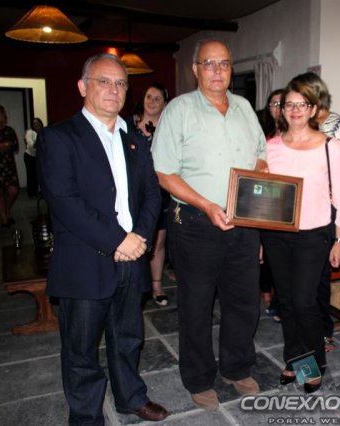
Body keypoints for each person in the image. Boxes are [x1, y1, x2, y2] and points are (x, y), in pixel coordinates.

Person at [36, 53, 167, 425]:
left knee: (128, 337)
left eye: (120, 83)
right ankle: (86, 415)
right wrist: (118, 240)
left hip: (132, 256)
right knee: (80, 349)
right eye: (103, 81)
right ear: (83, 87)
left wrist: (139, 237)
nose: (113, 89)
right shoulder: (58, 137)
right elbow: (64, 200)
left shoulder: (135, 140)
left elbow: (152, 194)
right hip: (84, 260)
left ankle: (131, 397)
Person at [151, 39, 266, 409]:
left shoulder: (245, 108)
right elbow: (163, 172)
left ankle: (237, 367)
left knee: (244, 302)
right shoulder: (179, 110)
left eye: (224, 63)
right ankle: (199, 378)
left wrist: (259, 180)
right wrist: (205, 204)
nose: (217, 70)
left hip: (244, 225)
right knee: (196, 305)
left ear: (231, 68)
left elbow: (261, 157)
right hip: (196, 224)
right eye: (209, 63)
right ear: (195, 69)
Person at [261, 77, 340, 393]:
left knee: (304, 301)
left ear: (313, 109)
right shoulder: (270, 147)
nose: (295, 110)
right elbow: (264, 195)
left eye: (302, 104)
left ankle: (313, 364)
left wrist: (339, 239)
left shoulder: (329, 147)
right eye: (290, 104)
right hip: (277, 235)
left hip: (314, 235)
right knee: (286, 301)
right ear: (281, 109)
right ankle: (294, 359)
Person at [292, 72, 340, 353]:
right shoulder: (292, 127)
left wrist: (339, 235)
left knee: (317, 281)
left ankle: (321, 335)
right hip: (294, 215)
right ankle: (300, 340)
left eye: (305, 97)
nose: (299, 105)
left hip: (324, 213)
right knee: (297, 285)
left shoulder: (335, 128)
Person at [127, 83, 170, 306]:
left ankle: (156, 285)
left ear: (164, 103)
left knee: (158, 240)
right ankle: (134, 285)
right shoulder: (127, 125)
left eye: (157, 98)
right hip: (132, 190)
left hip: (160, 190)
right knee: (133, 237)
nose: (152, 102)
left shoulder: (169, 128)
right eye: (149, 97)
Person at [259, 88, 285, 322]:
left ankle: (279, 299)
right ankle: (266, 292)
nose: (277, 108)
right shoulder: (263, 133)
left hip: (286, 200)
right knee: (265, 250)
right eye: (273, 104)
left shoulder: (293, 133)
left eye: (280, 103)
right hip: (266, 196)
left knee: (281, 254)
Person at [0, 105, 20, 227]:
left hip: (9, 166)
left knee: (13, 191)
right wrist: (5, 145)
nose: (5, 114)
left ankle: (7, 211)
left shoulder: (9, 130)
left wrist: (2, 146)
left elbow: (15, 146)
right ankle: (4, 218)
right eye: (2, 112)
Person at [24, 117, 43, 199]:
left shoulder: (43, 131)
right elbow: (32, 146)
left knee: (39, 174)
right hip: (30, 156)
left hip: (39, 156)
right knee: (31, 175)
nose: (36, 125)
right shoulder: (30, 132)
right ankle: (31, 193)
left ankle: (39, 191)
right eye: (34, 123)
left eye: (37, 123)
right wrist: (39, 136)